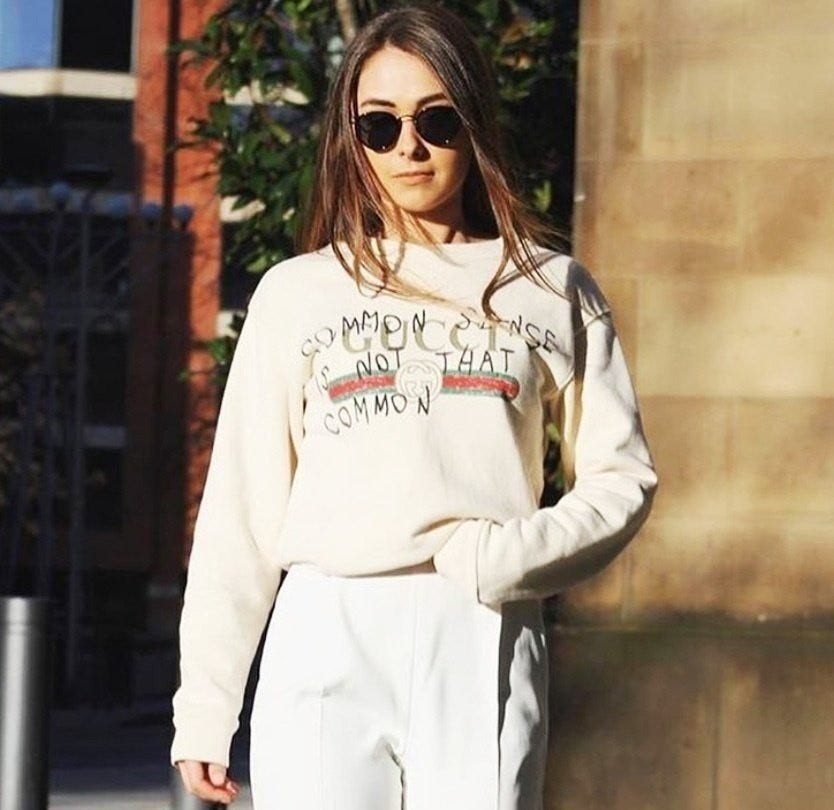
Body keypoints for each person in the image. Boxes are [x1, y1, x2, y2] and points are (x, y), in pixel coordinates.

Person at [171, 3, 657, 808]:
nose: (409, 147)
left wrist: (509, 558)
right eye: (379, 125)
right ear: (350, 136)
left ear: (474, 123)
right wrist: (205, 708)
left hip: (481, 623)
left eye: (436, 119)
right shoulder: (298, 293)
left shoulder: (548, 288)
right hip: (327, 623)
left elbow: (623, 479)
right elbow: (241, 511)